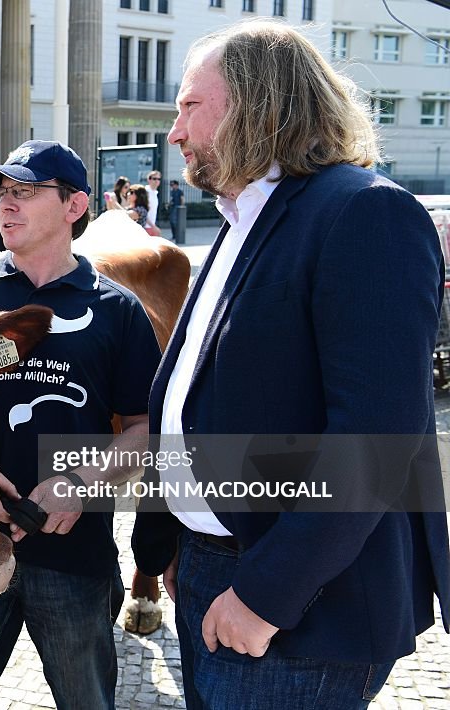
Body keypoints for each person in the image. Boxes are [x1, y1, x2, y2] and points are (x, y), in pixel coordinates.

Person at [131, 20, 449, 710]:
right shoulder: (244, 217)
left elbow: (375, 440)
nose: (175, 133)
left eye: (190, 107)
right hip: (217, 568)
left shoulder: (366, 214)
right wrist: (175, 548)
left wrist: (265, 594)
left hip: (298, 603)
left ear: (258, 103)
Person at [0, 140, 161, 709]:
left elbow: (145, 427)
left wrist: (79, 485)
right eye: (3, 193)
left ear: (75, 206)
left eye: (25, 193)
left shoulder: (117, 309)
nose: (7, 205)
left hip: (74, 555)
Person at [144, 171, 163, 236]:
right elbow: (142, 212)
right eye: (154, 179)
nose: (157, 181)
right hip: (144, 227)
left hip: (151, 227)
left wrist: (153, 226)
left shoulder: (155, 193)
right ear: (149, 180)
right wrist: (153, 227)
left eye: (158, 179)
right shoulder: (146, 192)